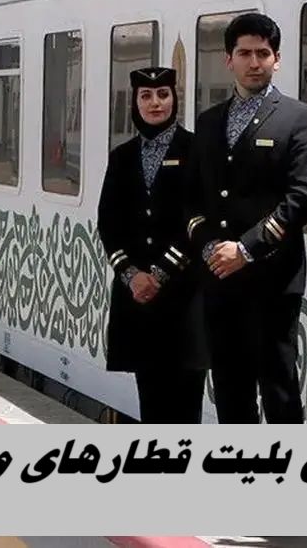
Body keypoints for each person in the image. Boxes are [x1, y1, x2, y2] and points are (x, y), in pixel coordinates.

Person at [183, 12, 307, 424]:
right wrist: (209, 247)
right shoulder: (209, 122)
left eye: (263, 53)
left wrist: (246, 249)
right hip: (219, 278)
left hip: (272, 280)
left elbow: (304, 198)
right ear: (229, 60)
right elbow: (192, 198)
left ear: (277, 59)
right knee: (230, 391)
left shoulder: (300, 118)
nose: (254, 62)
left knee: (279, 389)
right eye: (244, 53)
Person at [97, 66, 209, 423]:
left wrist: (159, 274)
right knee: (151, 399)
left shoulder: (196, 150)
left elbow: (200, 218)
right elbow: (108, 223)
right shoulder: (122, 156)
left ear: (175, 99)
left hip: (184, 297)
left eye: (163, 94)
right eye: (145, 96)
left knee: (186, 401)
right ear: (135, 102)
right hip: (139, 300)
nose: (155, 103)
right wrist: (131, 275)